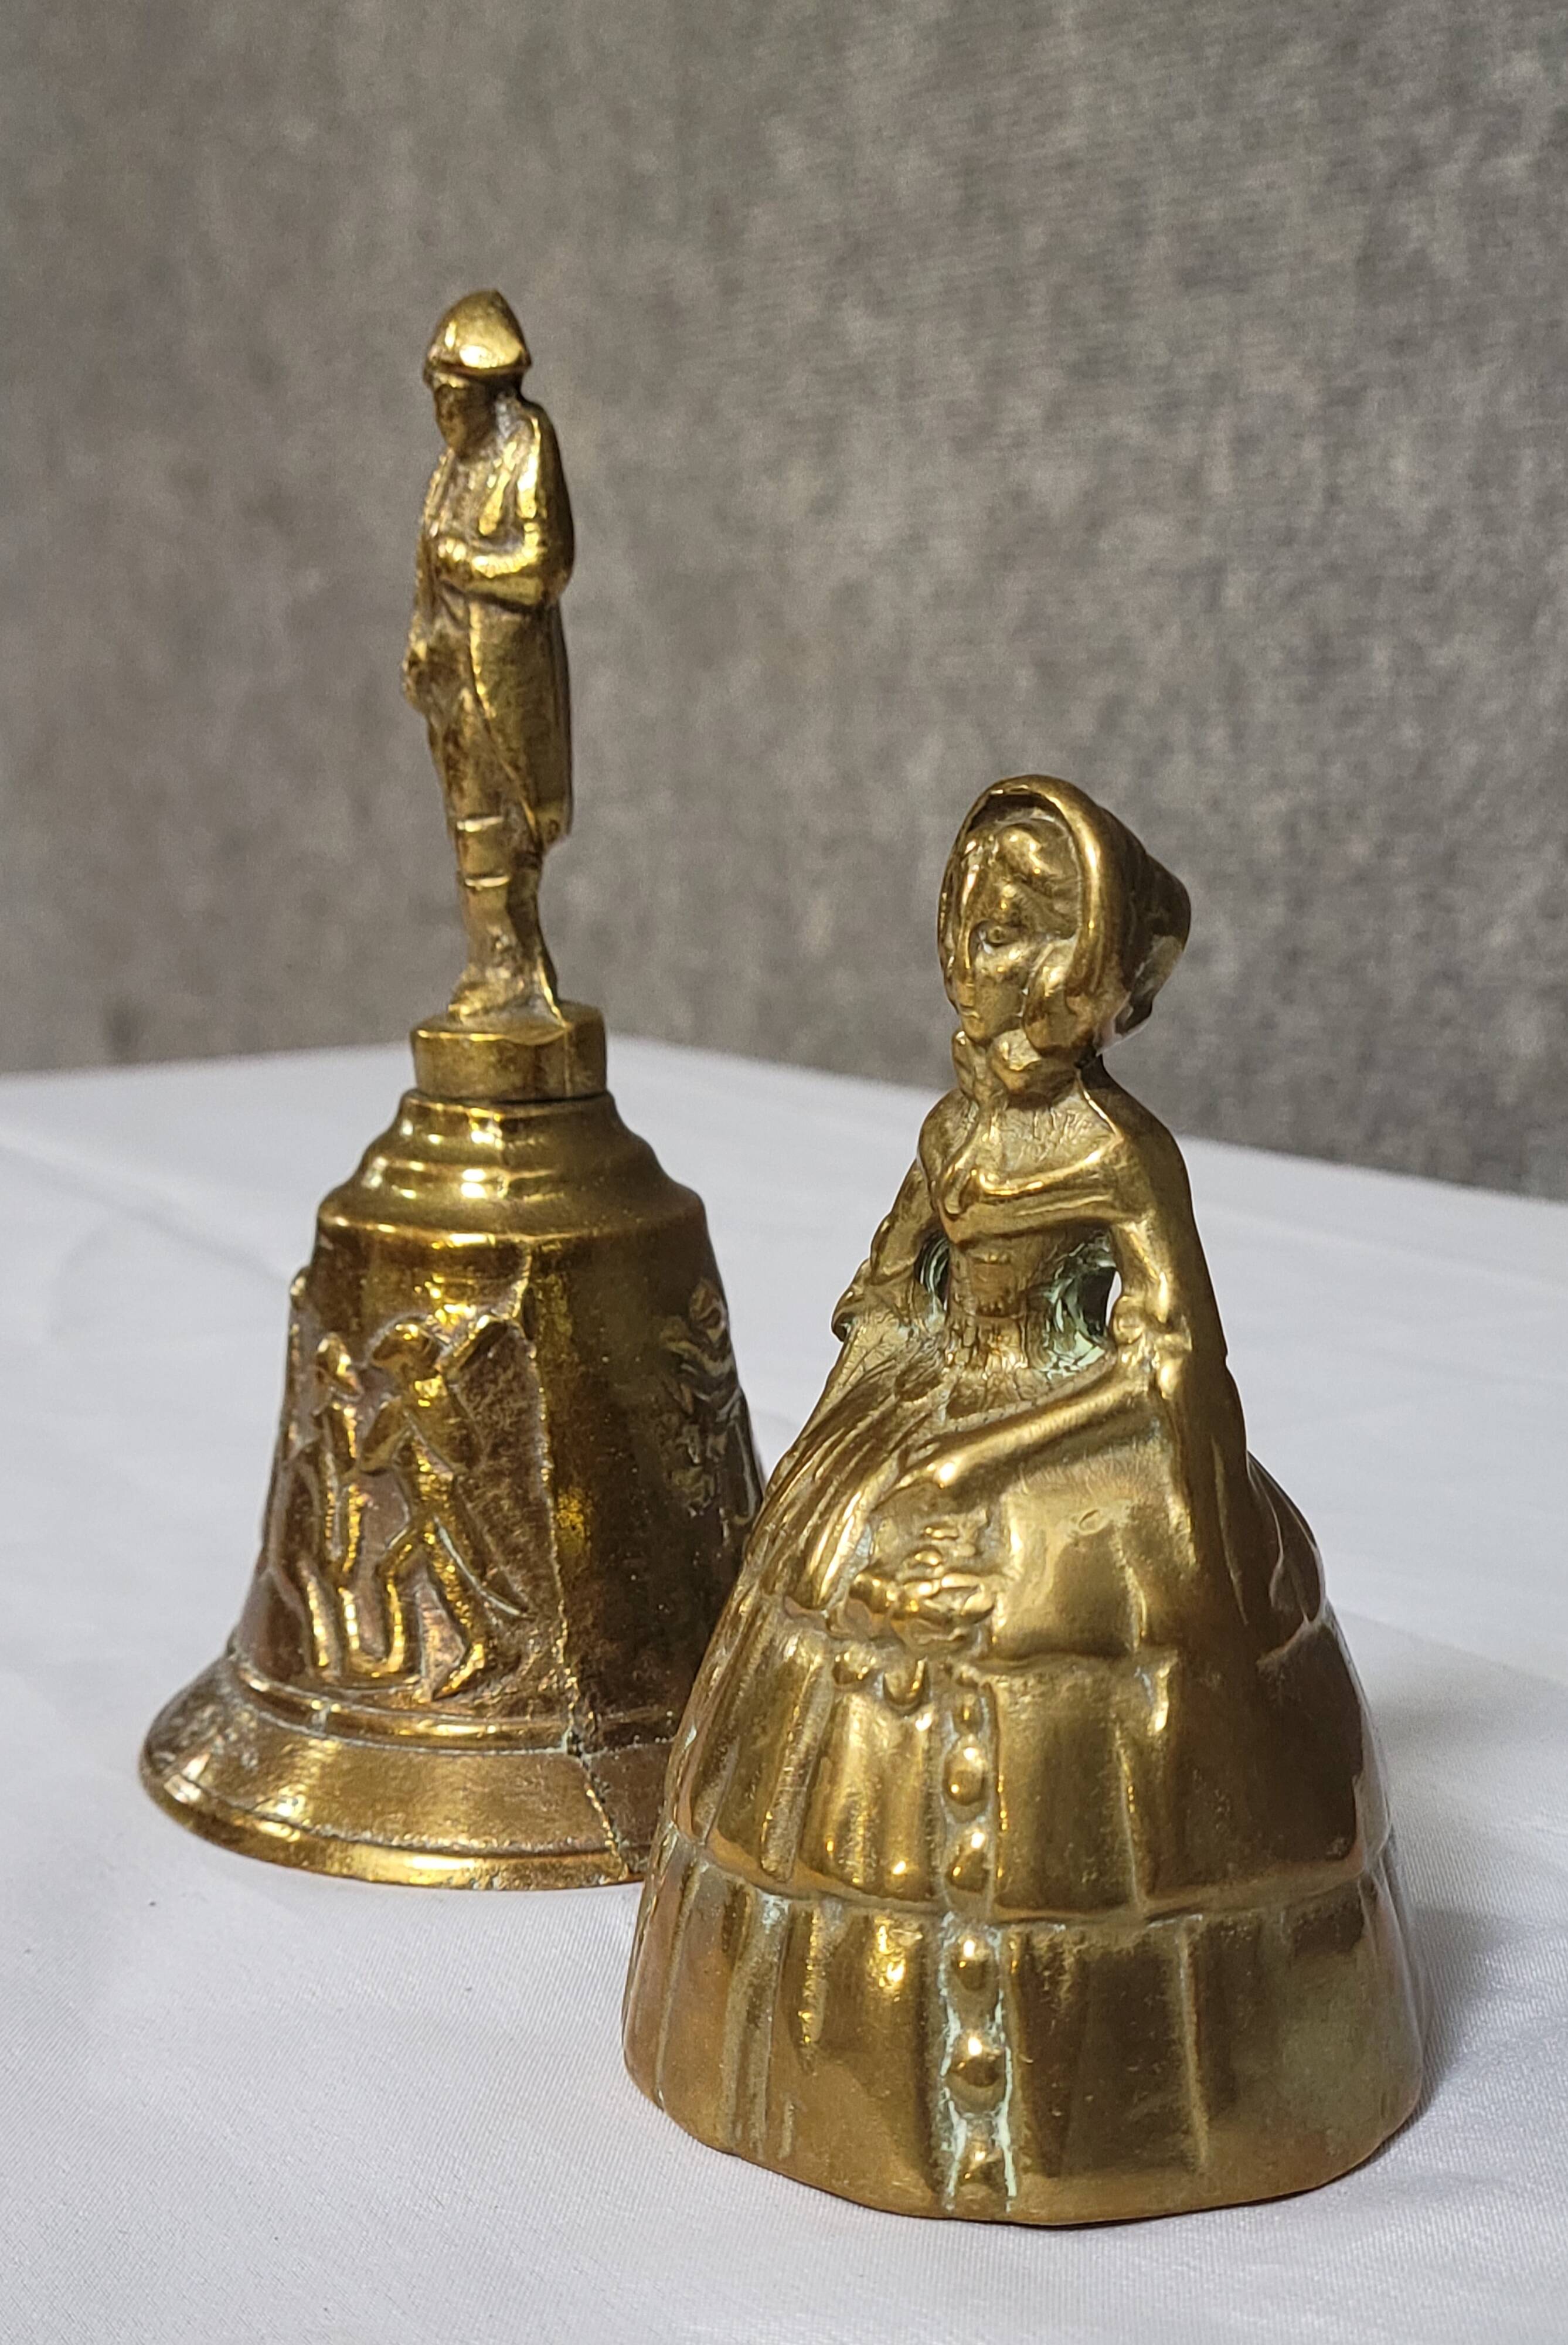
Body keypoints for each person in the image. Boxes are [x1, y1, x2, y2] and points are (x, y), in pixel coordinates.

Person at [624, 776, 1422, 2224]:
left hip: (1087, 1444)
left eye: (1028, 926)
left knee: (1076, 1625)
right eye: (974, 916)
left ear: (1091, 971)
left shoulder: (1117, 1154)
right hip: (931, 1410)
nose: (987, 948)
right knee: (836, 1575)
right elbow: (886, 1293)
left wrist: (989, 1458)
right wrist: (845, 1437)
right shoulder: (954, 1134)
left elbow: (1169, 1362)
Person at [403, 289, 574, 1022]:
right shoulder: (451, 465)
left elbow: (544, 564)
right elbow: (425, 569)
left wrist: (467, 560)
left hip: (504, 682)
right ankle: (490, 966)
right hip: (452, 680)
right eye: (437, 396)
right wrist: (418, 640)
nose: (442, 410)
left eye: (452, 395)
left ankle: (516, 969)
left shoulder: (526, 445)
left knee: (510, 831)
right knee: (468, 828)